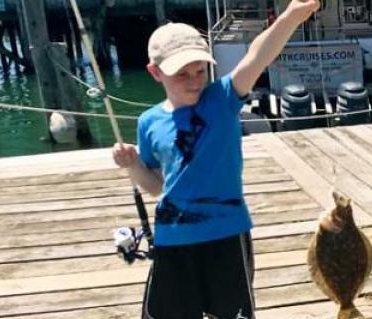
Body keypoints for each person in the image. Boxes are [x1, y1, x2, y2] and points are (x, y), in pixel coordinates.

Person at [112, 1, 321, 318]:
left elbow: (257, 56)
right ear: (155, 73)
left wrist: (291, 16)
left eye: (200, 70)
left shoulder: (222, 98)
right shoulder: (148, 121)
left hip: (226, 234)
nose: (195, 80)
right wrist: (133, 165)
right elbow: (155, 186)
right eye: (182, 74)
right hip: (172, 237)